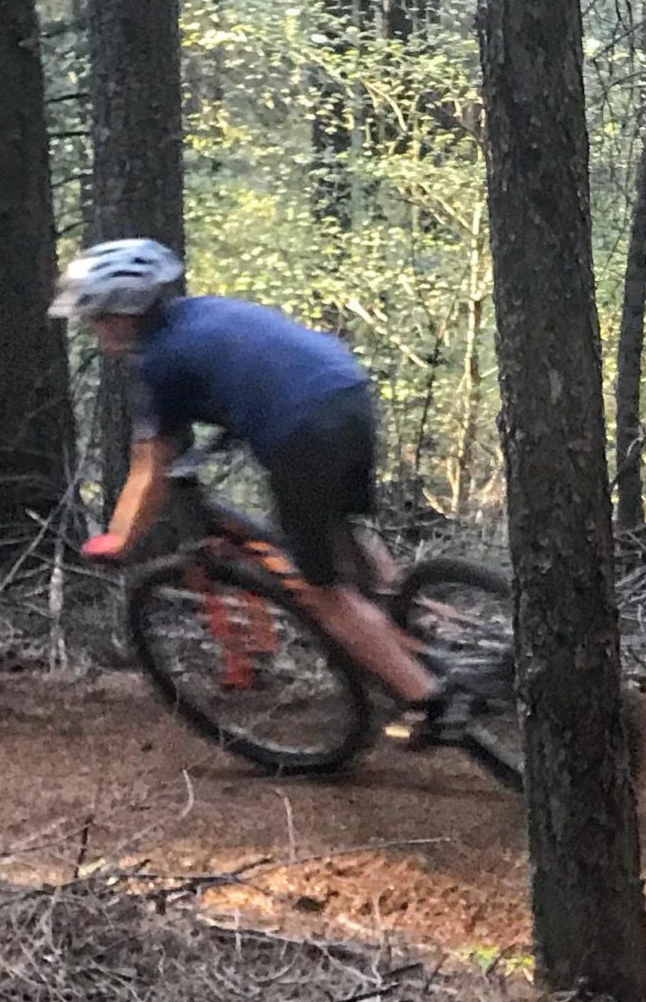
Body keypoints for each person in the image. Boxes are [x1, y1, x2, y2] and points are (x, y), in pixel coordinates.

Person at [52, 238, 457, 726]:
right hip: (348, 392)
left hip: (300, 430)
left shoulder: (157, 362)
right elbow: (254, 368)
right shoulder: (204, 311)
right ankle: (414, 619)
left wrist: (120, 539)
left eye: (96, 317)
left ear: (121, 313)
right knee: (341, 526)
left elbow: (151, 466)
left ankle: (430, 701)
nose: (95, 331)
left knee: (323, 593)